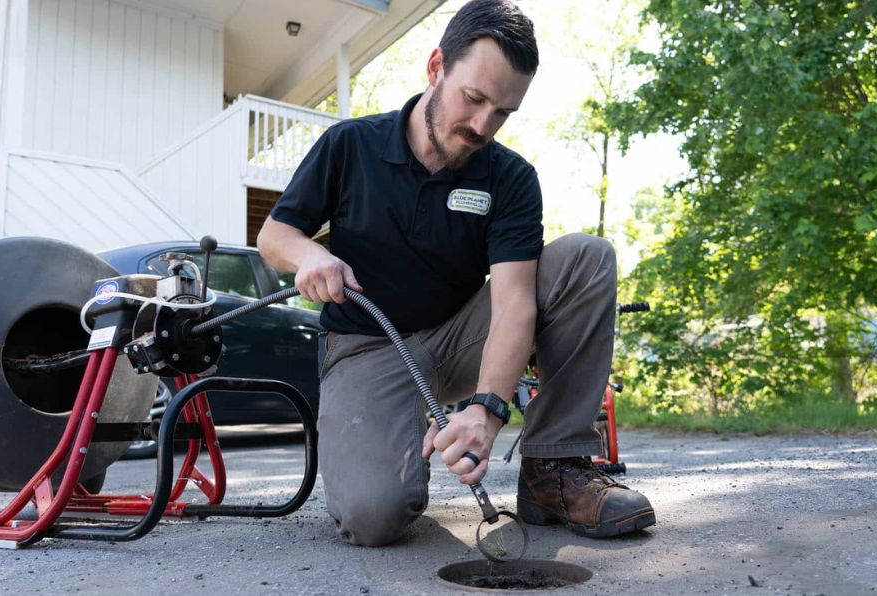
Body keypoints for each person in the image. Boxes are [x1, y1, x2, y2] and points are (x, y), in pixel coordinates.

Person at [257, 0, 655, 547]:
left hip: (462, 334)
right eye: (474, 99)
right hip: (369, 344)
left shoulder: (510, 178)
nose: (482, 125)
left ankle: (553, 472)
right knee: (374, 517)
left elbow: (514, 303)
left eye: (503, 112)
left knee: (585, 256)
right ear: (436, 67)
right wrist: (310, 256)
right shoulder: (350, 146)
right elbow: (273, 236)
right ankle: (393, 457)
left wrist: (488, 410)